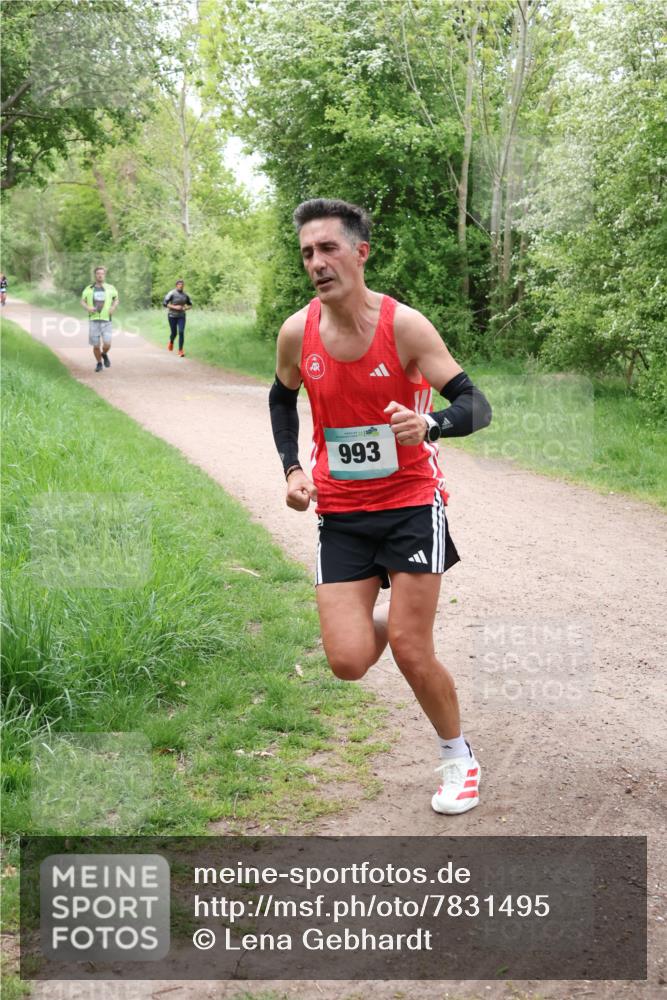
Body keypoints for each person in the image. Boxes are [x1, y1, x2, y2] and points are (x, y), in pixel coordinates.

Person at [269, 198, 492, 815]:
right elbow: (281, 398)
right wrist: (292, 470)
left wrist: (431, 424)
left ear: (360, 252)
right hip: (340, 513)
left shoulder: (405, 327)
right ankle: (387, 628)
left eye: (329, 248)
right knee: (346, 662)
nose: (317, 262)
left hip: (411, 504)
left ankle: (457, 758)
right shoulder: (297, 331)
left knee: (412, 647)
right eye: (308, 252)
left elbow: (475, 404)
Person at [80, 266, 119, 372]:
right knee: (96, 345)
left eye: (102, 273)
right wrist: (88, 307)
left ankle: (104, 354)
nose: (100, 275)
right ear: (95, 275)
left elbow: (116, 299)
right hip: (94, 320)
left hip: (107, 320)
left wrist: (113, 307)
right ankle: (99, 363)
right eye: (98, 273)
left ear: (104, 275)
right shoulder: (89, 288)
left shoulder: (110, 288)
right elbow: (82, 301)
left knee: (107, 344)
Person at [163, 279, 192, 357]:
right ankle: (171, 342)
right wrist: (175, 307)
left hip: (181, 316)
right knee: (174, 333)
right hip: (172, 316)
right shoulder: (171, 293)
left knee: (181, 332)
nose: (181, 286)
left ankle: (180, 350)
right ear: (176, 285)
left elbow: (190, 305)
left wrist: (185, 308)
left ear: (183, 286)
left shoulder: (185, 295)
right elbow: (165, 303)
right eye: (179, 284)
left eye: (182, 284)